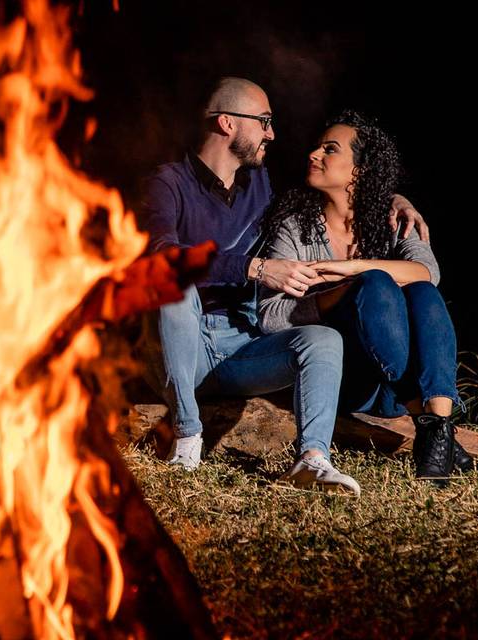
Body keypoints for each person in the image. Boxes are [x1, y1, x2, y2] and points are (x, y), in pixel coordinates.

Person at [138, 78, 425, 494]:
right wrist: (255, 268)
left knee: (322, 339)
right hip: (178, 343)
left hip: (240, 347)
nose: (272, 133)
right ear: (227, 123)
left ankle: (312, 460)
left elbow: (341, 179)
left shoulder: (262, 184)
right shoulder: (168, 183)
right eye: (264, 121)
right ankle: (186, 437)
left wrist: (396, 199)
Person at [258, 110, 468, 486]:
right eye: (317, 146)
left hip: (390, 390)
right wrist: (340, 294)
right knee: (376, 286)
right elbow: (270, 317)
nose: (313, 154)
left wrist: (352, 269)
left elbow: (427, 273)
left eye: (330, 149)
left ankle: (436, 422)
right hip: (344, 381)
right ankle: (434, 425)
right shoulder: (294, 229)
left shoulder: (392, 219)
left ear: (360, 170)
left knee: (418, 290)